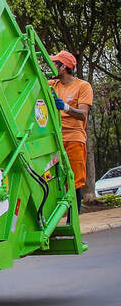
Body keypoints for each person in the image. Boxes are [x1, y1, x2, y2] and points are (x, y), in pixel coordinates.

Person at [48, 49, 93, 209]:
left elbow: (83, 115)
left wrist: (65, 107)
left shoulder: (83, 86)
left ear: (63, 67)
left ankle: (73, 218)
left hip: (74, 138)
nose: (51, 66)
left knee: (74, 180)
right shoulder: (52, 85)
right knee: (53, 180)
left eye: (54, 63)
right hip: (54, 140)